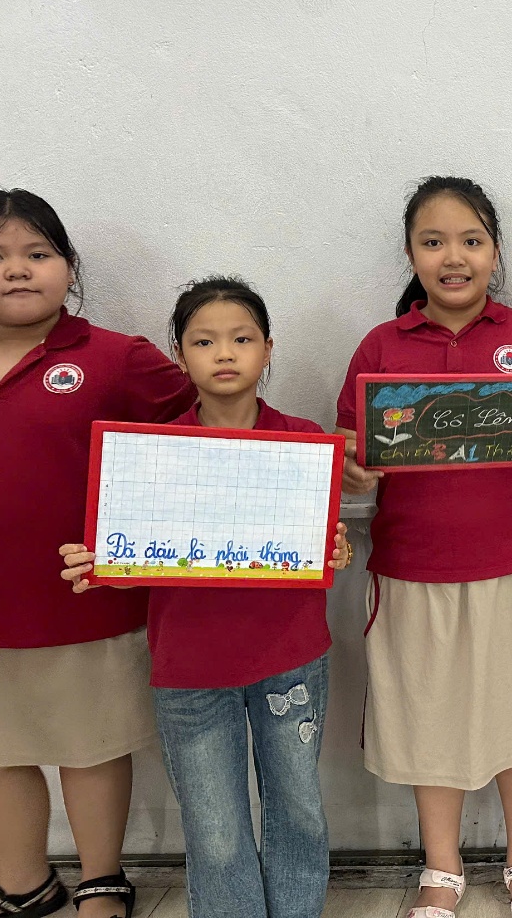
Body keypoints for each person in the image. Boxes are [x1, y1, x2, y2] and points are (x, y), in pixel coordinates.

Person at [337, 177, 512, 918]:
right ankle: (442, 867)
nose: (452, 257)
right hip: (413, 568)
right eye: (433, 242)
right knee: (429, 715)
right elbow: (353, 445)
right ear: (410, 254)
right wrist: (353, 464)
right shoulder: (380, 346)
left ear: (494, 251)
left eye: (470, 240)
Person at [62, 276, 352, 918]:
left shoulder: (302, 443)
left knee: (297, 806)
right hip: (189, 669)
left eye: (242, 338)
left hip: (290, 657)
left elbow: (323, 543)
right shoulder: (154, 454)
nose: (225, 353)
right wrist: (101, 562)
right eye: (205, 340)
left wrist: (332, 549)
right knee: (215, 828)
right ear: (180, 354)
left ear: (268, 349)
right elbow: (135, 557)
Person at [0, 189, 195, 918]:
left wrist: (133, 534)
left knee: (90, 744)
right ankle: (21, 882)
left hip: (83, 601)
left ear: (69, 268)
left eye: (39, 254)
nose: (18, 271)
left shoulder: (116, 358)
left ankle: (103, 877)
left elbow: (203, 437)